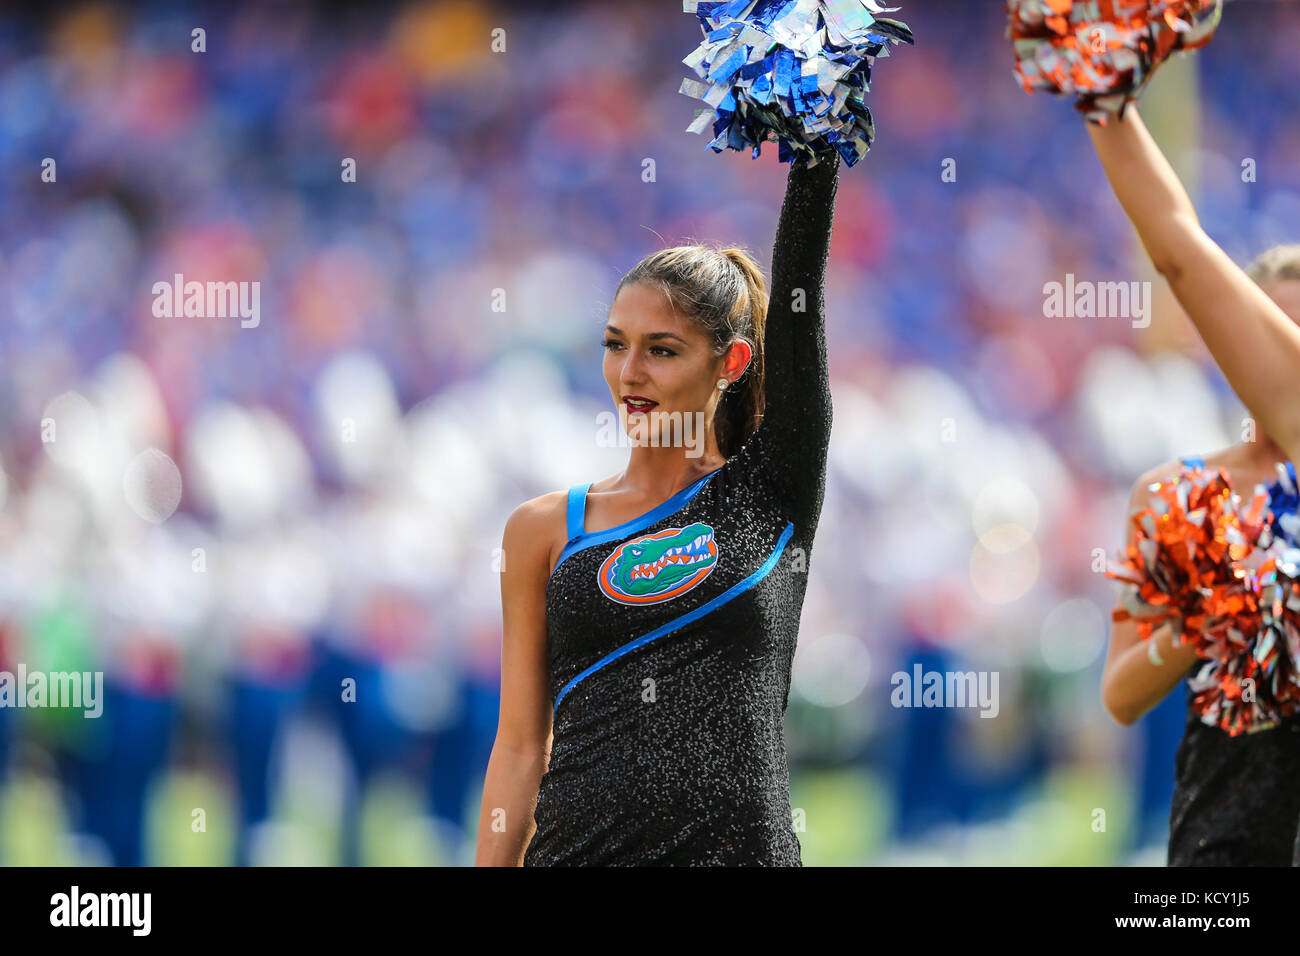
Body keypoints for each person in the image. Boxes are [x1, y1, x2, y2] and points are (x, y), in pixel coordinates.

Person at [474, 152, 840, 865]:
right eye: (616, 345)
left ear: (730, 364)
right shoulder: (545, 530)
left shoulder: (769, 493)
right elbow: (520, 744)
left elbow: (802, 291)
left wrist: (816, 148)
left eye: (662, 350)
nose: (630, 373)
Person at [1091, 107, 1300, 865]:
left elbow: (1180, 252)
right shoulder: (1176, 493)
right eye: (1258, 336)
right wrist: (1202, 615)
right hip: (1222, 843)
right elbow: (1121, 696)